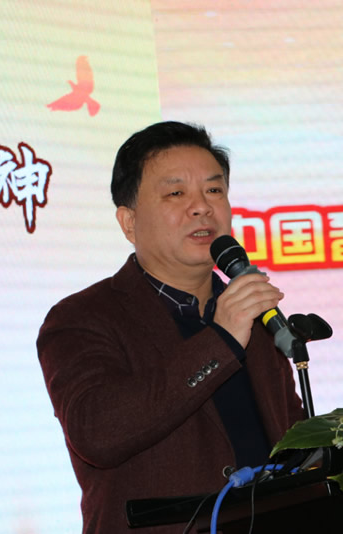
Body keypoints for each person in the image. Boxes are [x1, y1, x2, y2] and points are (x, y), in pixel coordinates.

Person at [37, 121, 304, 533]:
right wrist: (221, 339)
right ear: (128, 222)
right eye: (176, 193)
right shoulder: (81, 318)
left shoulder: (253, 311)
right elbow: (97, 433)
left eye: (214, 190)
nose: (201, 207)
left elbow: (291, 440)